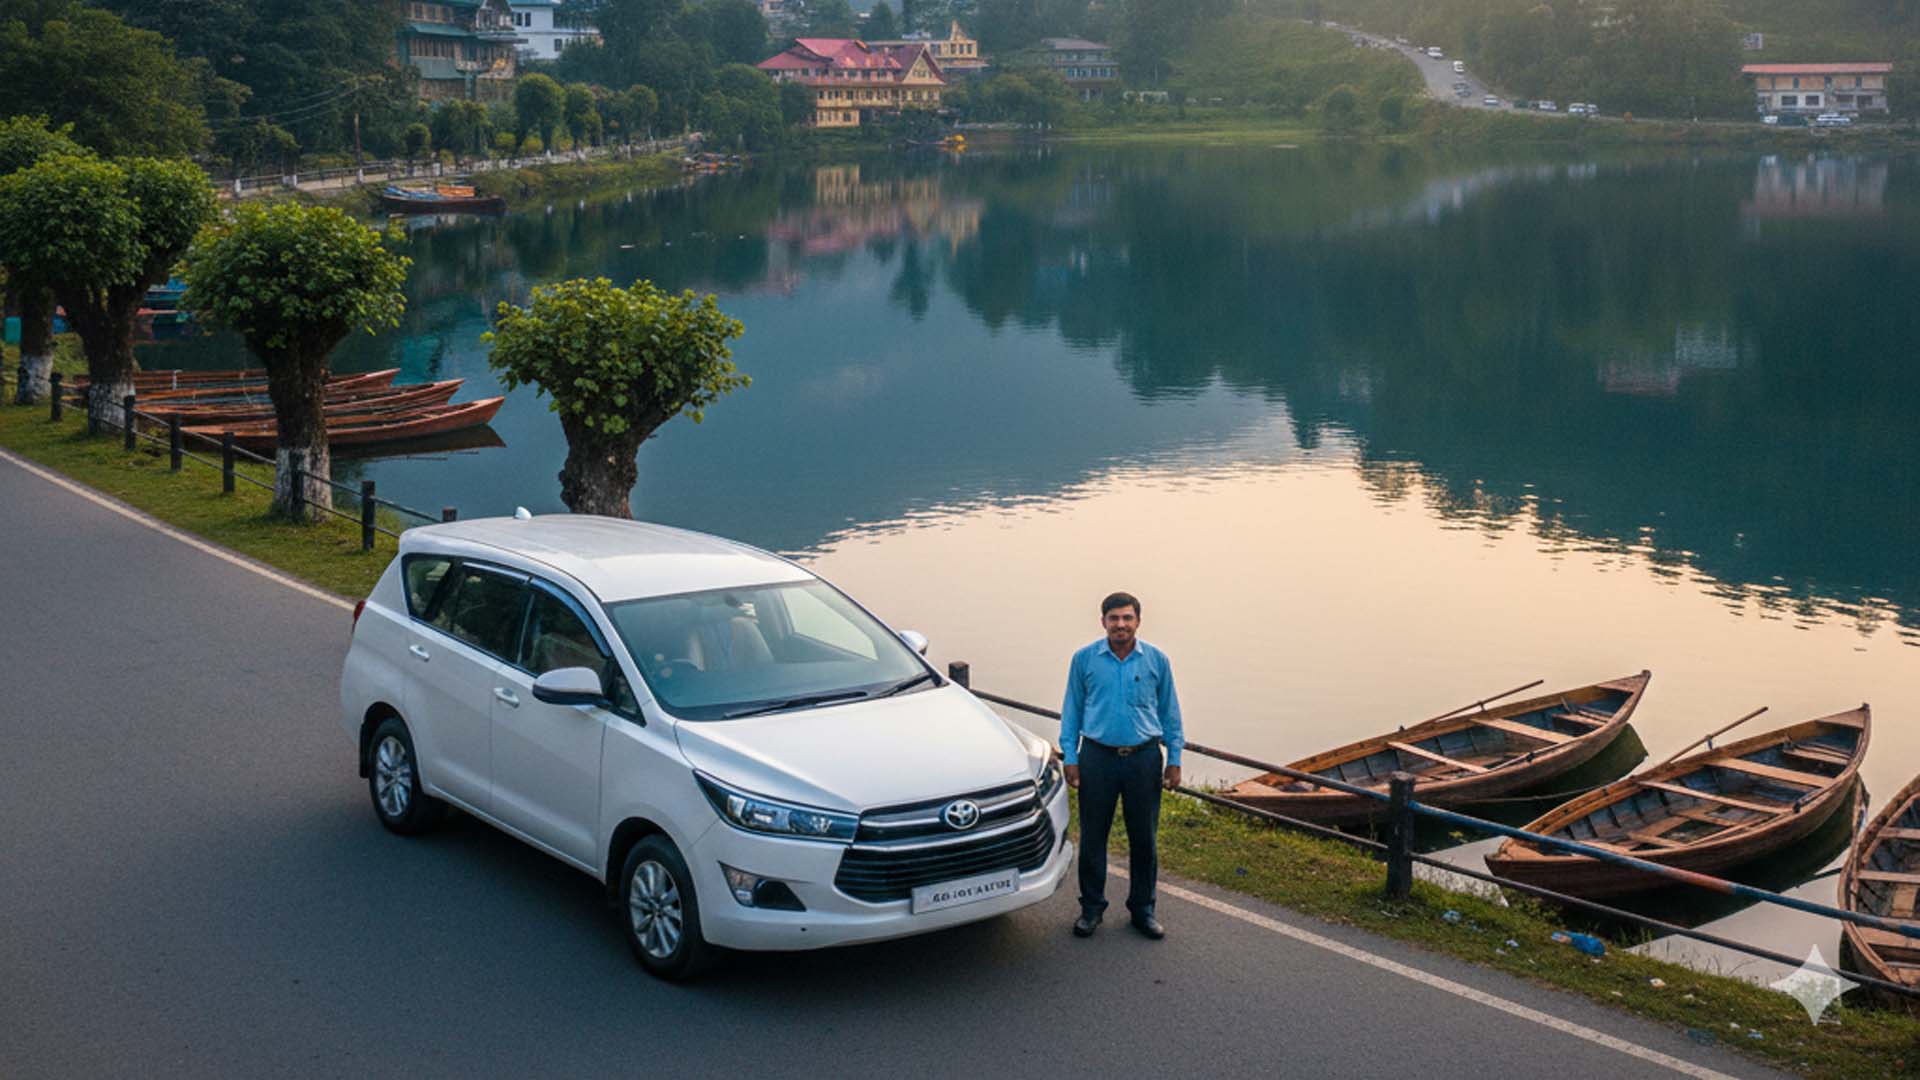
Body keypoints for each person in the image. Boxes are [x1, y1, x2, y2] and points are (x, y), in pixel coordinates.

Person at [1059, 591, 1183, 940]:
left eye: (1127, 618)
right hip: (1097, 757)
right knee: (1093, 837)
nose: (1121, 624)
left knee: (1144, 839)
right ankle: (1091, 908)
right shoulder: (1084, 659)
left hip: (1143, 758)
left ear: (1138, 621)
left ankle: (1143, 909)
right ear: (1103, 622)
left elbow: (1170, 712)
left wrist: (1174, 759)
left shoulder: (1156, 660)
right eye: (1114, 618)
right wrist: (1071, 757)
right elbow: (1072, 710)